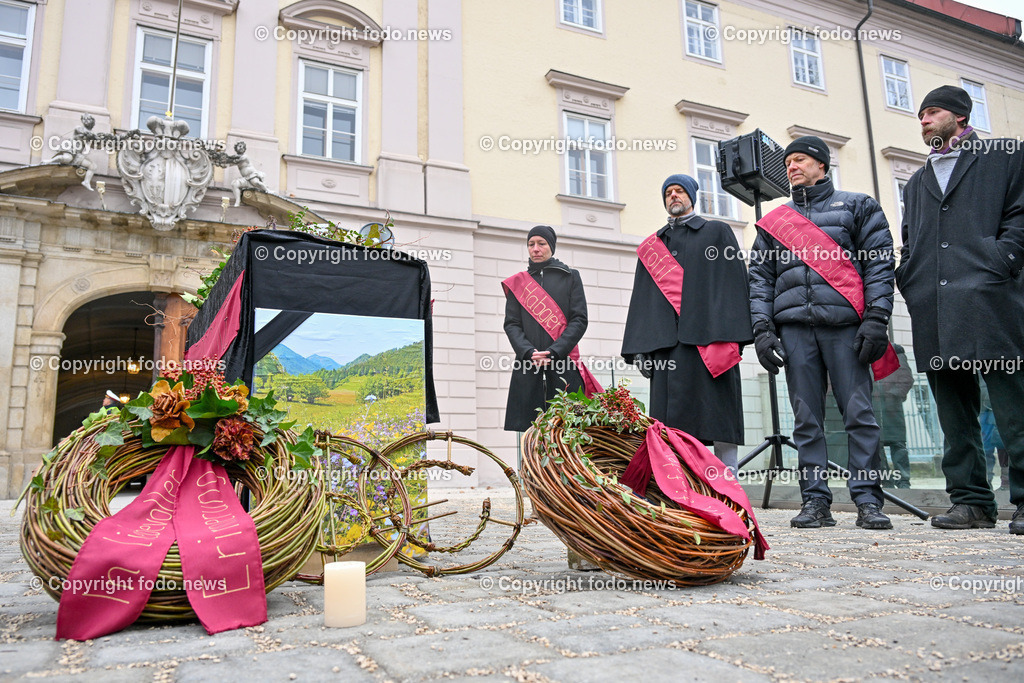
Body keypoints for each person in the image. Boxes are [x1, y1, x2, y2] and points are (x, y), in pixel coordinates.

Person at [749, 135, 896, 530]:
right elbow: (760, 279)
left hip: (847, 328)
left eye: (800, 160)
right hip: (795, 330)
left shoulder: (858, 206)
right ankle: (815, 501)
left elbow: (880, 265)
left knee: (859, 416)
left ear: (822, 165)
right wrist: (762, 329)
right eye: (788, 162)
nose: (792, 167)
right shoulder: (774, 222)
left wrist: (877, 318)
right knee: (806, 421)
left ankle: (867, 500)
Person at [896, 85, 1024, 533]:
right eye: (921, 115)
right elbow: (910, 238)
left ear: (959, 116)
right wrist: (908, 276)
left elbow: (1020, 217)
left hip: (992, 298)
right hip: (933, 304)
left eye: (932, 112)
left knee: (1014, 405)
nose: (924, 120)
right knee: (953, 411)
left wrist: (1003, 259)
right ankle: (971, 503)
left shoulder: (1006, 158)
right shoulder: (916, 181)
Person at [621, 174, 752, 474]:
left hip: (712, 343)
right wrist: (641, 349)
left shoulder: (717, 232)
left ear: (692, 196)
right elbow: (644, 300)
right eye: (668, 192)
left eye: (680, 191)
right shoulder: (653, 246)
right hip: (668, 350)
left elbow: (734, 285)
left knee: (719, 420)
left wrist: (736, 338)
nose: (673, 196)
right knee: (672, 427)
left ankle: (726, 485)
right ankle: (676, 486)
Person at [502, 225, 600, 431]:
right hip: (529, 365)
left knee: (567, 429)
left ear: (551, 247)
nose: (535, 249)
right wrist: (528, 352)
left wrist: (555, 351)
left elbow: (579, 319)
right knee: (530, 432)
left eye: (541, 243)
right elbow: (512, 324)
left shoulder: (571, 277)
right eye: (531, 244)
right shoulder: (518, 283)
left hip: (563, 363)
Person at [873, 344, 914, 489]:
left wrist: (892, 395)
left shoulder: (896, 350)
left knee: (898, 446)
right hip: (874, 408)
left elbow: (906, 379)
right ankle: (887, 482)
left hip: (892, 409)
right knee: (876, 446)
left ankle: (903, 482)